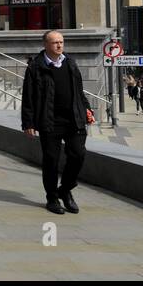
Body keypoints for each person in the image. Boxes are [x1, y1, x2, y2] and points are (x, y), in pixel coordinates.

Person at [20, 30, 94, 214]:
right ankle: (52, 198)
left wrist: (87, 109)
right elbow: (28, 97)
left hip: (74, 119)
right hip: (50, 121)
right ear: (45, 45)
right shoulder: (35, 67)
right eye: (55, 42)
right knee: (51, 160)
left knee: (78, 154)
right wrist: (28, 123)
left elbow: (79, 91)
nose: (59, 45)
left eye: (61, 42)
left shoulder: (70, 63)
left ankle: (65, 190)